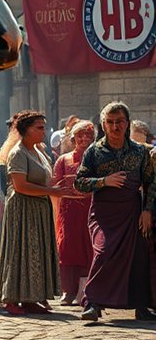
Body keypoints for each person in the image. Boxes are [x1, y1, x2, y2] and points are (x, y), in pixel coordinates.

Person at [75, 102, 156, 321]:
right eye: (110, 122)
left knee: (138, 257)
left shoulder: (140, 151)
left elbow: (151, 182)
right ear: (103, 125)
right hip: (104, 213)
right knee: (103, 251)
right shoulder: (94, 151)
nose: (115, 126)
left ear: (127, 123)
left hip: (132, 211)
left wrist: (147, 210)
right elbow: (79, 182)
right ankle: (92, 303)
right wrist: (104, 181)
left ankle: (140, 305)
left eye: (119, 121)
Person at [0, 110, 66, 315]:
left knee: (35, 251)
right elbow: (20, 185)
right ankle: (11, 297)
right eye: (39, 128)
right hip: (22, 208)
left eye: (44, 127)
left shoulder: (38, 151)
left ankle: (30, 297)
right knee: (19, 250)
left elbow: (44, 179)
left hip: (38, 207)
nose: (44, 131)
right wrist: (52, 191)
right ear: (26, 130)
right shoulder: (18, 153)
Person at [52, 120, 96, 306]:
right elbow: (55, 183)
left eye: (88, 135)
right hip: (68, 210)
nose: (84, 139)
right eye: (80, 135)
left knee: (88, 247)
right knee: (67, 247)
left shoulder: (97, 158)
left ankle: (85, 290)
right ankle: (68, 290)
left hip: (90, 209)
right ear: (72, 138)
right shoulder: (64, 160)